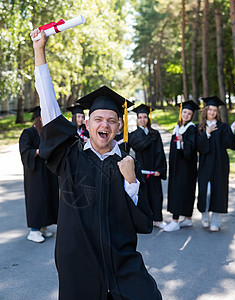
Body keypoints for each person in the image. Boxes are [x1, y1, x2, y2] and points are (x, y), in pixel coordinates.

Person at [31, 29, 162, 300]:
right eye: (98, 119)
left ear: (119, 126)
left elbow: (144, 223)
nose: (105, 124)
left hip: (121, 262)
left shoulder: (127, 164)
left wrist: (132, 182)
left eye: (111, 120)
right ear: (87, 123)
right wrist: (39, 51)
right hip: (79, 262)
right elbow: (48, 105)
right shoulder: (69, 155)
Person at [197, 96, 235, 232]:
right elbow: (198, 147)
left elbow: (231, 145)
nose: (212, 112)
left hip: (220, 164)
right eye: (210, 110)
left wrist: (232, 129)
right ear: (206, 111)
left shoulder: (222, 127)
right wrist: (207, 134)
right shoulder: (200, 127)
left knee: (218, 191)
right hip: (205, 165)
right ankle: (204, 215)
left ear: (217, 112)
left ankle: (215, 220)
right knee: (206, 191)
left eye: (215, 110)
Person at [19, 106, 59, 243]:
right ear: (40, 118)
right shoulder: (28, 133)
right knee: (37, 199)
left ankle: (43, 227)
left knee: (48, 197)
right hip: (35, 173)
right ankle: (34, 230)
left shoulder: (46, 133)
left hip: (47, 172)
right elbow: (25, 151)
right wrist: (37, 152)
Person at [129, 104, 167, 229]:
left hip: (153, 171)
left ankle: (158, 220)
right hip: (141, 171)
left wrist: (159, 170)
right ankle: (145, 221)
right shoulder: (134, 135)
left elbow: (160, 153)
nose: (142, 120)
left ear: (148, 119)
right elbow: (137, 146)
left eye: (145, 117)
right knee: (143, 197)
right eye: (140, 117)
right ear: (137, 119)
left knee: (156, 196)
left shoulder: (155, 134)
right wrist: (143, 133)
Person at [164, 100, 199, 232]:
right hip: (177, 166)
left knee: (181, 191)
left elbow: (193, 147)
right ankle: (188, 219)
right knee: (183, 190)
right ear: (181, 113)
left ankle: (175, 221)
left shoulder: (191, 128)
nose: (186, 115)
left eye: (189, 113)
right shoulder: (177, 127)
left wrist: (184, 141)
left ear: (192, 115)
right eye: (184, 112)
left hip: (186, 166)